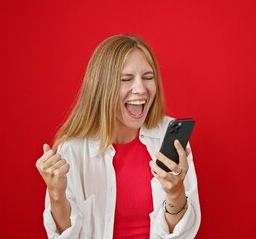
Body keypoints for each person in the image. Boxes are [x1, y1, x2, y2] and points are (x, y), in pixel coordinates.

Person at [36, 34, 201, 238]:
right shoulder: (73, 149)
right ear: (101, 87)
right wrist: (56, 193)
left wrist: (175, 193)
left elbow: (185, 235)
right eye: (125, 79)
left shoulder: (170, 137)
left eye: (148, 77)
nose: (141, 89)